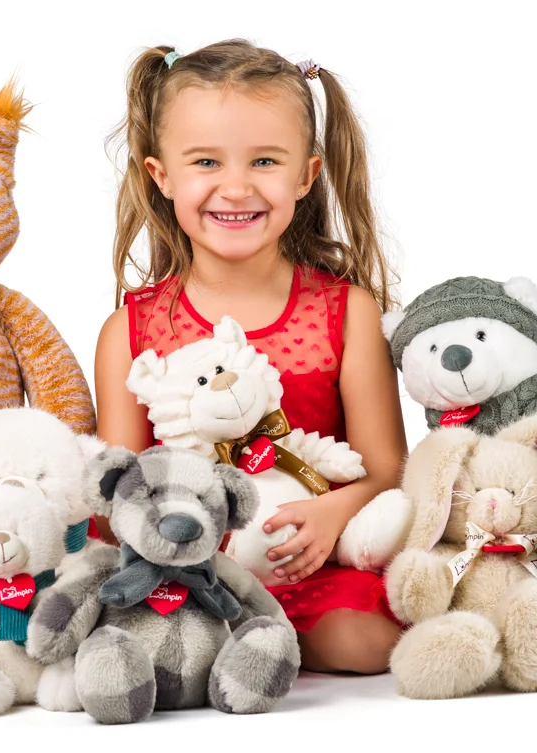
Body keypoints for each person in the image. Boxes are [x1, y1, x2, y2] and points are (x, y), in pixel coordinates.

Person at [93, 39, 407, 675]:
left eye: (265, 161)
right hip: (188, 568)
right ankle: (221, 635)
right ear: (161, 175)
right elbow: (115, 497)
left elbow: (386, 470)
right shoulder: (131, 329)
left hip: (309, 562)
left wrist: (331, 513)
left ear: (306, 176)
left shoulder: (347, 311)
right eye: (206, 161)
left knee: (364, 644)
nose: (235, 187)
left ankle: (254, 643)